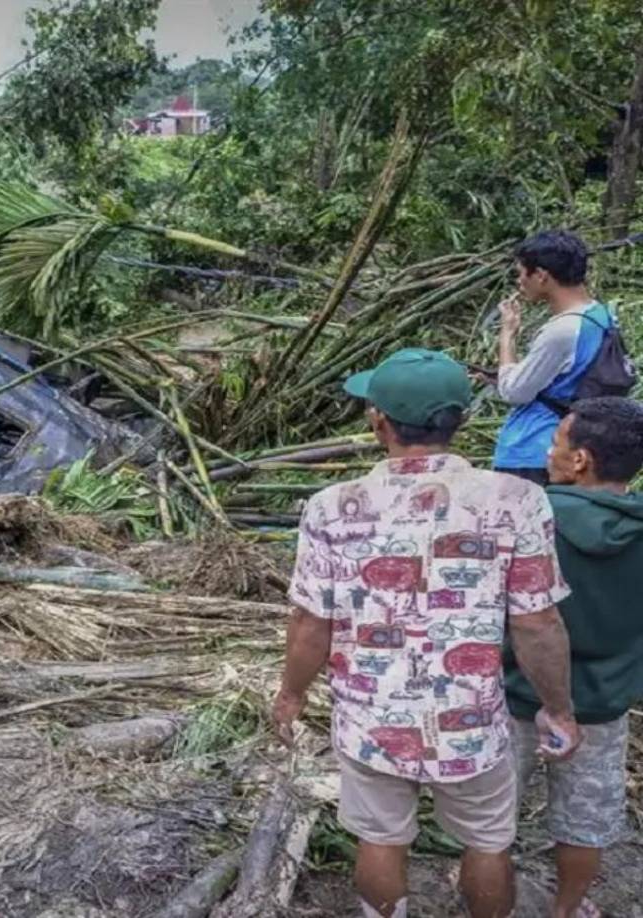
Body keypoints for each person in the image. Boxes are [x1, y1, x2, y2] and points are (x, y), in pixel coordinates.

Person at [272, 348, 581, 918]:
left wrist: (291, 694)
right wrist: (558, 708)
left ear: (378, 422)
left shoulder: (332, 508)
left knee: (382, 837)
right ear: (460, 418)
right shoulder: (517, 501)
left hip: (372, 716)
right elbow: (537, 622)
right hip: (470, 718)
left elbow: (312, 621)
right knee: (488, 839)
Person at [502, 397, 643, 918]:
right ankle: (567, 910)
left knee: (493, 813)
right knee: (585, 818)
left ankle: (488, 897)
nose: (547, 450)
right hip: (603, 701)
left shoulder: (531, 515)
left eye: (557, 442)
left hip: (515, 690)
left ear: (580, 459)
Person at [492, 230, 619, 486]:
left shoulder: (562, 330)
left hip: (532, 451)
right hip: (572, 447)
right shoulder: (601, 315)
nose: (519, 281)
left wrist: (507, 335)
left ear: (541, 276)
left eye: (521, 273)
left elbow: (514, 392)